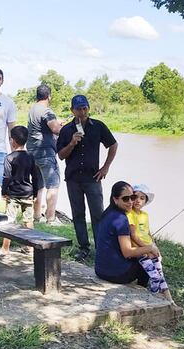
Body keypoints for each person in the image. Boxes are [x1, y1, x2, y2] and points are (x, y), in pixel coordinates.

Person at [56, 95, 118, 261]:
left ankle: (101, 248)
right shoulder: (66, 130)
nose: (82, 112)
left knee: (98, 214)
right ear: (72, 111)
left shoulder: (97, 126)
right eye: (78, 109)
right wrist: (71, 143)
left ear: (88, 108)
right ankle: (83, 247)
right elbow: (61, 156)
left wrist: (105, 167)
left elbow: (113, 144)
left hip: (93, 178)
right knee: (78, 214)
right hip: (73, 179)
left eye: (85, 108)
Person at [94, 181, 167, 293]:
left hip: (100, 269)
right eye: (125, 199)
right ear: (115, 199)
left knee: (143, 255)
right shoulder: (121, 219)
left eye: (132, 197)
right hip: (115, 274)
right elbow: (127, 252)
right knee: (147, 262)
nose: (131, 202)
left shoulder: (107, 213)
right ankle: (143, 292)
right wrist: (150, 248)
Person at [0, 126, 43, 259]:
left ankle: (5, 248)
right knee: (28, 221)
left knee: (9, 221)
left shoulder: (9, 158)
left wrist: (4, 191)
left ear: (12, 141)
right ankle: (29, 247)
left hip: (13, 194)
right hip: (28, 193)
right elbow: (35, 177)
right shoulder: (30, 157)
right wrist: (35, 193)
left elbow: (6, 177)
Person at [26, 84, 64, 225]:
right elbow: (55, 129)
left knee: (39, 185)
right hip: (45, 151)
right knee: (53, 185)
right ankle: (50, 218)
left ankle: (36, 216)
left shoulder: (33, 109)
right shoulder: (47, 110)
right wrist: (63, 127)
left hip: (32, 151)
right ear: (49, 96)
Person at [127, 184, 172, 300]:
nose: (138, 200)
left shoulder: (145, 215)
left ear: (146, 201)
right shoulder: (130, 214)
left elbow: (147, 233)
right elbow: (134, 236)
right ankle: (152, 297)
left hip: (150, 248)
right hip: (141, 251)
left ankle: (169, 300)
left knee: (160, 276)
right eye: (135, 197)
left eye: (142, 198)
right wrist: (148, 249)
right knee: (155, 277)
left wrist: (154, 247)